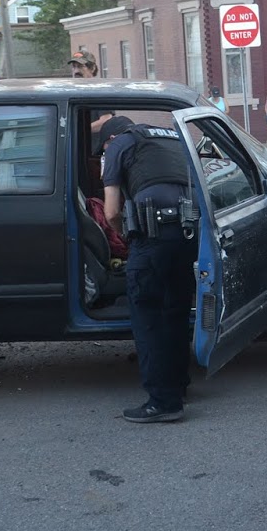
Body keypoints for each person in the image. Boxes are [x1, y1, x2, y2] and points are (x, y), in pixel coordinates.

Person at [100, 114, 196, 424]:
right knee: (176, 312)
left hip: (151, 236)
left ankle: (162, 401)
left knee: (148, 316)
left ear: (110, 140)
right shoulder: (171, 139)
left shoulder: (118, 145)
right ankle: (178, 386)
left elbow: (112, 211)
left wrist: (127, 238)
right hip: (186, 234)